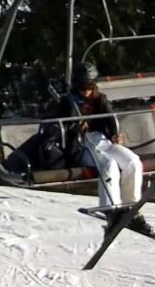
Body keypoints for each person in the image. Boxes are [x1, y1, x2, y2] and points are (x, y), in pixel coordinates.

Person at [58, 62, 154, 236]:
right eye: (82, 86)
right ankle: (111, 210)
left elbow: (110, 118)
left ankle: (129, 208)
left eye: (90, 85)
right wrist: (75, 125)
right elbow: (59, 127)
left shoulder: (99, 98)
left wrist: (115, 134)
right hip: (80, 144)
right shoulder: (67, 102)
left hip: (102, 140)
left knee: (132, 161)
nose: (86, 90)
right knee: (108, 164)